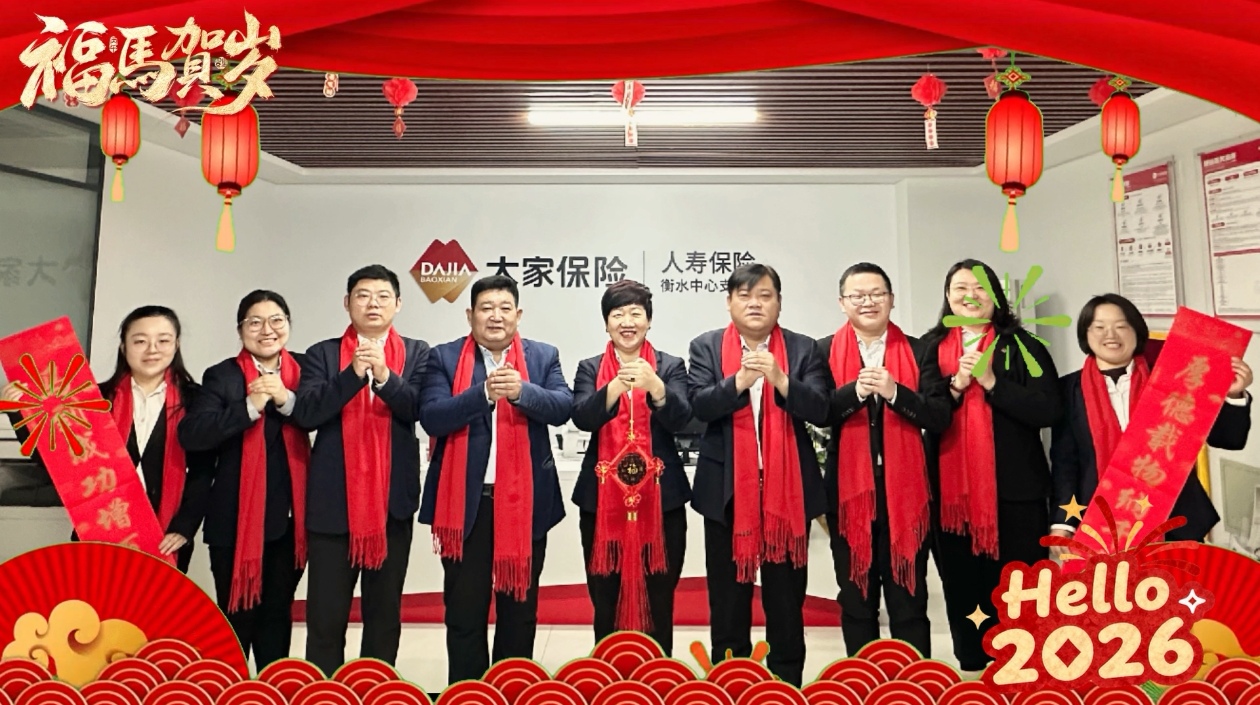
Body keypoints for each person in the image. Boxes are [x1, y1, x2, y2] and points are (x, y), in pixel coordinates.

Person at [419, 275, 573, 684]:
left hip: (525, 505)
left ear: (518, 315)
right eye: (486, 308)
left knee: (519, 611)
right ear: (469, 314)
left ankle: (513, 689)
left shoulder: (543, 356)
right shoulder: (444, 357)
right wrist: (483, 395)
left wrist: (522, 392)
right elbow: (432, 416)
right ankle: (468, 692)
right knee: (465, 613)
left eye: (505, 308)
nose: (496, 316)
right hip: (465, 508)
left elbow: (563, 406)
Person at [687, 263, 829, 687]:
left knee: (786, 600)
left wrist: (780, 379)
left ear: (779, 303)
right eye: (745, 295)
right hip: (727, 492)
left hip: (788, 493)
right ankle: (730, 682)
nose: (755, 304)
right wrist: (740, 381)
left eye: (765, 296)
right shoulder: (706, 347)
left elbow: (821, 408)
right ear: (729, 302)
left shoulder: (803, 349)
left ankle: (786, 684)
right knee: (728, 600)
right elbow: (699, 407)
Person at [920, 260, 1061, 675]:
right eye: (960, 288)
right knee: (962, 585)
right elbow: (925, 413)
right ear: (948, 298)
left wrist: (994, 384)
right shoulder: (929, 348)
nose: (970, 295)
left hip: (1017, 492)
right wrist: (956, 387)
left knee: (1021, 587)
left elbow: (1049, 410)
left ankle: (1024, 665)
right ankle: (972, 666)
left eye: (980, 287)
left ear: (996, 296)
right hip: (951, 497)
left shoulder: (1024, 346)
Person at [292, 265, 429, 676]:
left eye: (383, 296)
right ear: (347, 303)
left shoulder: (418, 352)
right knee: (325, 618)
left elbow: (418, 409)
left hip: (391, 504)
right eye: (363, 296)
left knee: (384, 616)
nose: (373, 304)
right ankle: (325, 693)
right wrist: (352, 375)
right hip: (333, 506)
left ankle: (377, 689)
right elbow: (307, 414)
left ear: (398, 304)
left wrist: (384, 376)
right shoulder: (322, 354)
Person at [818, 263, 951, 659]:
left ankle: (914, 682)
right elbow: (819, 411)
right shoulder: (822, 351)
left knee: (908, 598)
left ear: (891, 300)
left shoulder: (920, 350)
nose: (868, 302)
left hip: (906, 495)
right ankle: (862, 681)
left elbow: (939, 416)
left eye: (876, 294)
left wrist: (896, 393)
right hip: (848, 496)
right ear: (842, 303)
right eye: (857, 296)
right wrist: (853, 394)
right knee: (856, 599)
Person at [1050, 294, 1253, 545]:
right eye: (1099, 327)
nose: (1110, 335)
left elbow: (1229, 440)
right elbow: (1065, 462)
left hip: (1175, 520)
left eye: (1121, 326)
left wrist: (1234, 395)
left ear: (1137, 332)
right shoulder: (1068, 390)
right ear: (1086, 334)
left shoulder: (1172, 379)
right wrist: (1062, 522)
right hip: (1100, 521)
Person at [178, 290, 309, 670]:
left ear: (288, 325)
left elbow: (320, 416)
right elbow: (193, 434)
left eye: (276, 320)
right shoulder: (221, 376)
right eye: (255, 322)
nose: (267, 330)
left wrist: (285, 398)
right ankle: (232, 690)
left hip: (289, 521)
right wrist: (250, 407)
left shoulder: (305, 371)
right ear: (240, 330)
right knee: (236, 619)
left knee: (277, 618)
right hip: (235, 521)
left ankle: (273, 690)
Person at [571, 280, 692, 655]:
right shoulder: (590, 367)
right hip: (601, 502)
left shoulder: (670, 366)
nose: (627, 322)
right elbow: (582, 417)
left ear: (649, 321)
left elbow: (683, 418)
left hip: (662, 501)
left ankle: (658, 675)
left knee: (659, 597)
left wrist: (657, 387)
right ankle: (608, 673)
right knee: (605, 596)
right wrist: (613, 387)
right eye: (618, 314)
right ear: (606, 323)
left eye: (636, 313)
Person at [93, 306, 214, 572]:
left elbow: (203, 470)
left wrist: (184, 527)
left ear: (176, 345)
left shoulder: (197, 400)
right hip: (101, 528)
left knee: (157, 600)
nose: (152, 350)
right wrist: (21, 411)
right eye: (140, 341)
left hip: (166, 535)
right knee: (94, 599)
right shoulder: (96, 399)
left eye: (163, 340)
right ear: (124, 347)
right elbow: (60, 461)